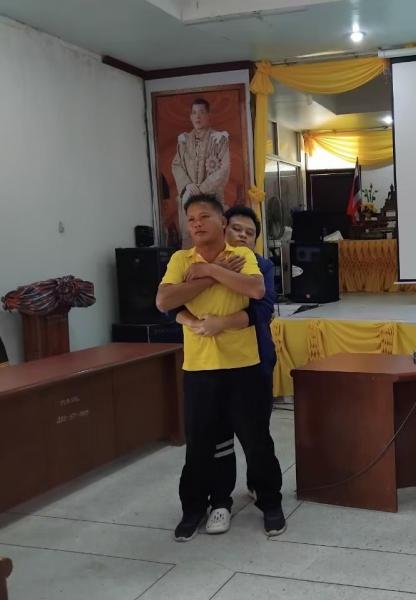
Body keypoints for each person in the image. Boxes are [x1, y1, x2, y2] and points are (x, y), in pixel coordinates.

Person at [156, 194, 284, 542]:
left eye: (204, 217)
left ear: (220, 223)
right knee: (201, 442)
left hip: (244, 364)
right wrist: (212, 277)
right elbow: (165, 301)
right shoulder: (181, 259)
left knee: (256, 439)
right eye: (191, 219)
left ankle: (270, 501)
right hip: (199, 366)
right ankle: (198, 506)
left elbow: (257, 293)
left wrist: (213, 270)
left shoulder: (243, 257)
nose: (196, 224)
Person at [171, 98, 231, 247]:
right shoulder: (184, 141)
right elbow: (176, 165)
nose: (197, 117)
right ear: (190, 117)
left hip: (211, 198)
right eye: (194, 113)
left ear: (208, 115)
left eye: (202, 112)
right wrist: (187, 185)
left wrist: (202, 189)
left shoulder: (218, 139)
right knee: (190, 239)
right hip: (189, 197)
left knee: (212, 238)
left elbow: (224, 168)